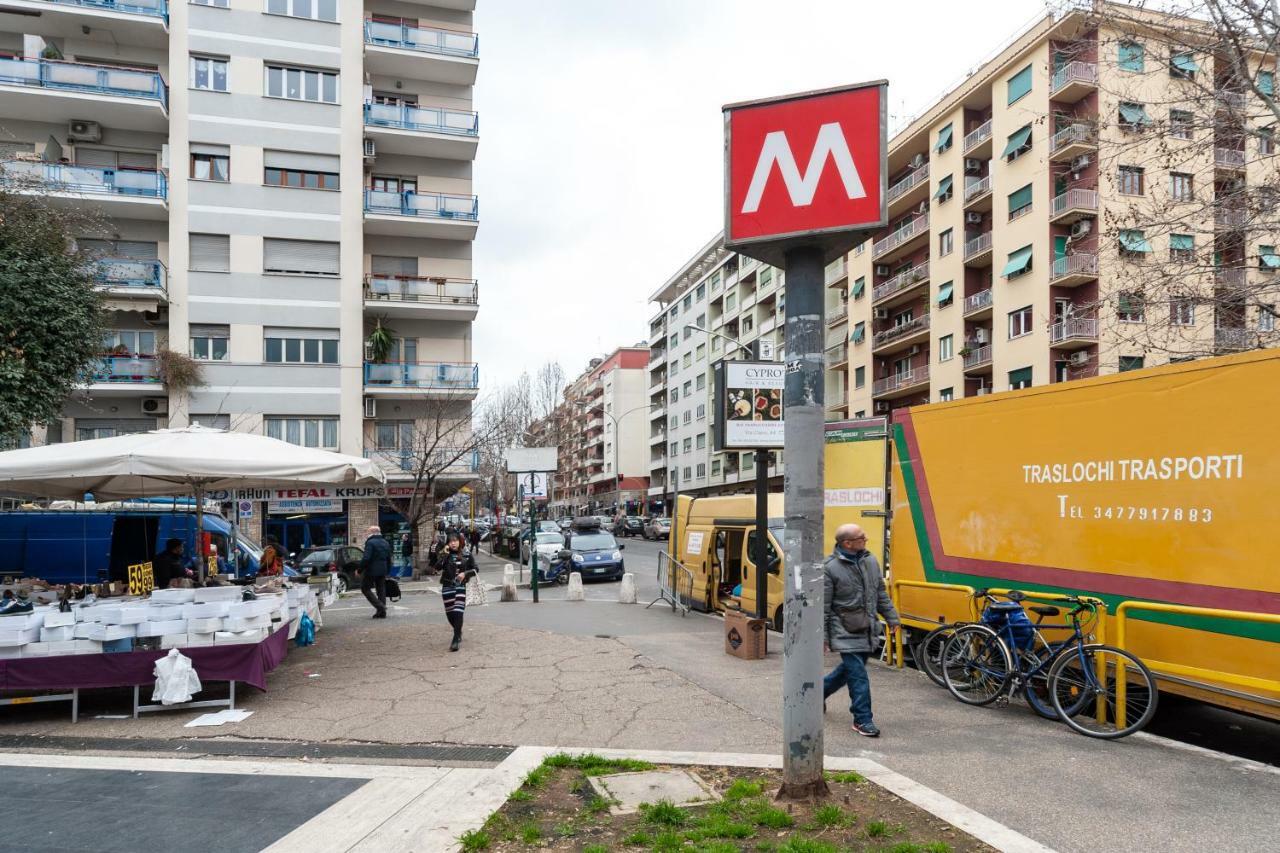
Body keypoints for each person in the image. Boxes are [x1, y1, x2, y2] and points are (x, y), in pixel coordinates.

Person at [823, 523, 900, 738]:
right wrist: (824, 637)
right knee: (858, 675)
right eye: (861, 537)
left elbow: (880, 593)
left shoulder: (870, 560)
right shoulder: (829, 568)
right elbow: (823, 606)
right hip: (844, 629)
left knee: (849, 671)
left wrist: (892, 618)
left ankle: (818, 692)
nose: (865, 538)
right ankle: (862, 719)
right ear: (847, 543)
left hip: (867, 627)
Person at [434, 531, 477, 651]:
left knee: (458, 611)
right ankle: (458, 631)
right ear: (448, 543)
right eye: (451, 541)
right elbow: (436, 568)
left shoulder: (466, 553)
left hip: (460, 587)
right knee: (450, 614)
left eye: (455, 541)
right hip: (447, 586)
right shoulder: (445, 554)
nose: (453, 543)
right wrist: (443, 555)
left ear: (459, 541)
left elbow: (475, 569)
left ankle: (455, 639)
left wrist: (465, 573)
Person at [359, 525, 392, 619]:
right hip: (383, 570)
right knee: (381, 590)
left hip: (371, 570)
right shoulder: (385, 542)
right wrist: (388, 570)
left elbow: (366, 558)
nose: (366, 534)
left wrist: (359, 569)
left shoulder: (370, 543)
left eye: (367, 532)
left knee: (365, 588)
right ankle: (381, 613)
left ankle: (380, 607)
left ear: (372, 533)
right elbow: (389, 558)